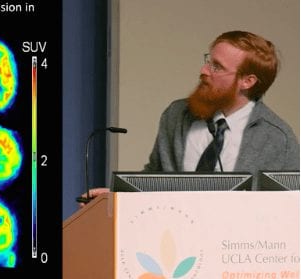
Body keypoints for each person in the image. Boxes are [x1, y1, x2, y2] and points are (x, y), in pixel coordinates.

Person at [79, 30, 299, 206]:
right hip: (174, 251)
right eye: (207, 60)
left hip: (237, 254)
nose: (204, 70)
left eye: (217, 67)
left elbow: (289, 210)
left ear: (247, 82)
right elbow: (153, 180)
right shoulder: (176, 115)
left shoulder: (279, 139)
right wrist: (115, 198)